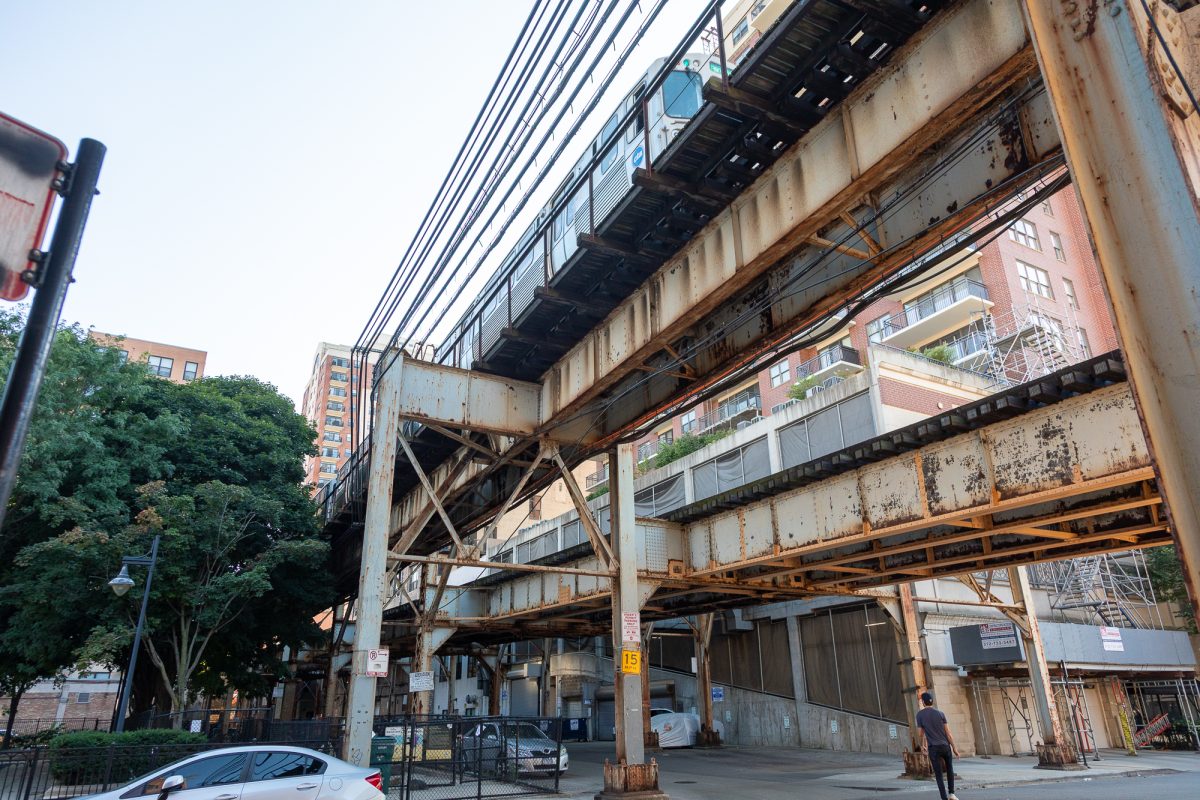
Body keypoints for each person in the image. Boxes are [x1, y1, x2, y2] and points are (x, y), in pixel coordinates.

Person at [916, 691, 960, 800]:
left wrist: (923, 745)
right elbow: (948, 733)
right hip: (945, 746)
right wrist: (954, 748)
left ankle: (944, 798)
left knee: (939, 774)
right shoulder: (941, 713)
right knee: (950, 769)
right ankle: (952, 794)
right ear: (932, 701)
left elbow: (921, 734)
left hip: (933, 748)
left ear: (923, 702)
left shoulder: (920, 715)